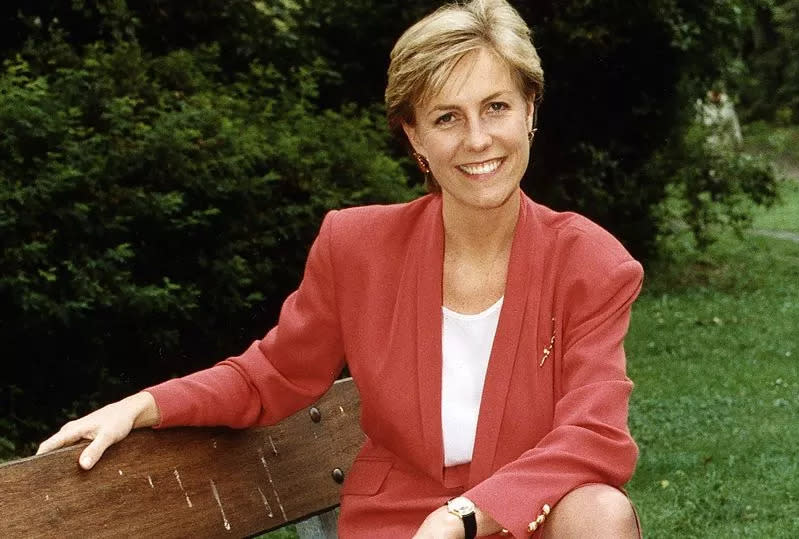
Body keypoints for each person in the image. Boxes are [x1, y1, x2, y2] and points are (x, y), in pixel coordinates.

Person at [37, 0, 644, 537]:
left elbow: (594, 436)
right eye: (447, 117)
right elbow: (268, 376)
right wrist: (140, 406)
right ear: (415, 138)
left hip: (523, 518)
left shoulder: (590, 262)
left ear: (530, 111)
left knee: (599, 511)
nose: (479, 139)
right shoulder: (356, 246)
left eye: (496, 107)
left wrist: (462, 517)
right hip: (398, 526)